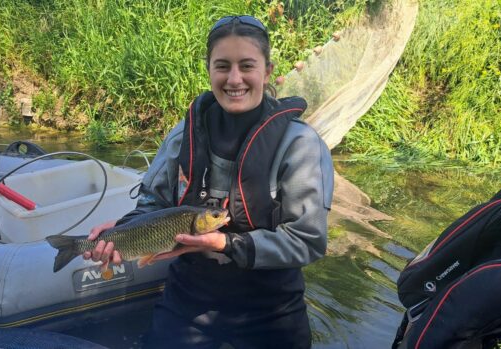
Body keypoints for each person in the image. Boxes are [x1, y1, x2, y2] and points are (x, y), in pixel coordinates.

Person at [84, 15, 334, 349]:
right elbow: (152, 204)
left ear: (267, 71)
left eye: (247, 65)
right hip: (189, 299)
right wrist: (125, 230)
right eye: (222, 66)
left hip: (272, 308)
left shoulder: (300, 144)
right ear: (209, 69)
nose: (234, 79)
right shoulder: (185, 133)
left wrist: (226, 244)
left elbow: (308, 241)